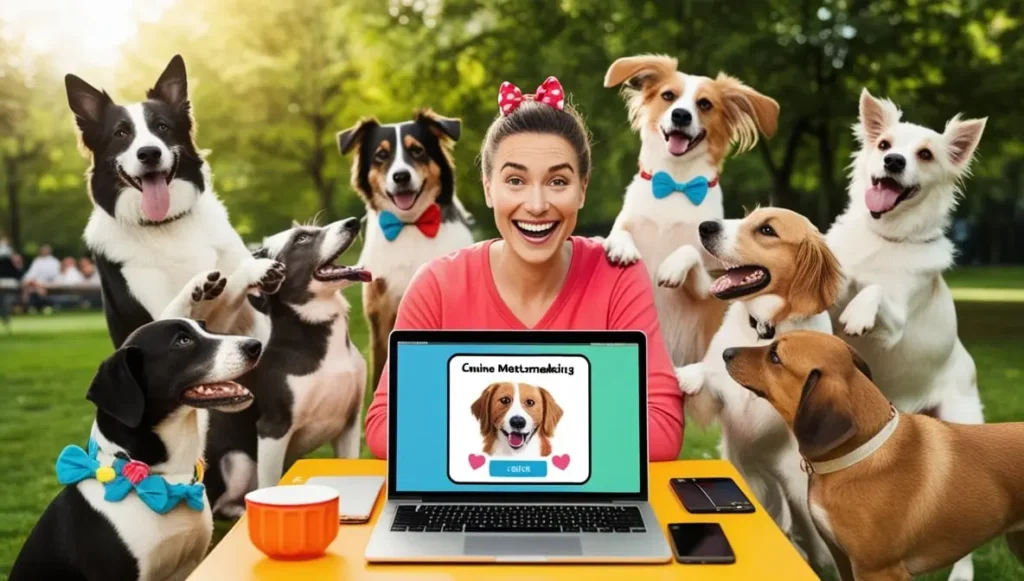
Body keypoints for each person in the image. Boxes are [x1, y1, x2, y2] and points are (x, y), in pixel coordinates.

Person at [364, 77, 685, 461]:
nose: (536, 204)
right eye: (515, 180)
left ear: (582, 189)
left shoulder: (618, 274)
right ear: (487, 188)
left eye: (558, 181)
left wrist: (492, 416)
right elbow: (383, 429)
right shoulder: (436, 284)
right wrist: (577, 417)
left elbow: (663, 433)